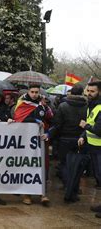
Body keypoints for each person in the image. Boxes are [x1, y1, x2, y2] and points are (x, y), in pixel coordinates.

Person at [13, 84, 52, 206]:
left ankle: (42, 194)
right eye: (32, 92)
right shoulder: (22, 103)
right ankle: (27, 194)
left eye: (36, 92)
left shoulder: (43, 103)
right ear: (28, 92)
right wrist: (34, 120)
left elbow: (50, 118)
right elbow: (19, 118)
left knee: (42, 165)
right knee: (28, 164)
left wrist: (47, 109)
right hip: (26, 140)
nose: (34, 94)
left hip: (41, 139)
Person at [48, 84, 87, 187]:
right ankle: (73, 187)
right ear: (82, 93)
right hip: (81, 139)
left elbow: (57, 124)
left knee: (64, 163)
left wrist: (51, 136)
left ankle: (67, 185)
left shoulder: (63, 106)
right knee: (78, 165)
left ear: (71, 93)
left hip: (64, 139)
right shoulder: (87, 106)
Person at [78, 81, 101, 217]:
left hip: (99, 148)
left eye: (92, 91)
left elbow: (98, 130)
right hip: (93, 147)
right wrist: (83, 136)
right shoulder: (91, 106)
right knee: (98, 177)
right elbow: (90, 124)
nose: (89, 94)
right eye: (88, 91)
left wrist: (85, 127)